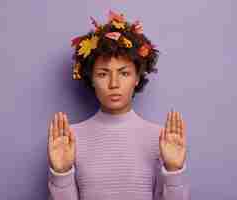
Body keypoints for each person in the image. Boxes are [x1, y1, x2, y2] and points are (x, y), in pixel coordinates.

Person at [47, 10, 190, 200]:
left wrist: (174, 172)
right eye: (103, 74)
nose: (114, 84)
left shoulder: (162, 139)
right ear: (91, 79)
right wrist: (61, 174)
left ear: (137, 77)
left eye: (124, 73)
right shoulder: (69, 140)